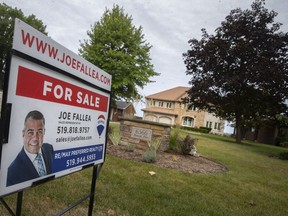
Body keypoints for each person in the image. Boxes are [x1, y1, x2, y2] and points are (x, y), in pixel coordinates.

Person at [6, 110, 54, 186]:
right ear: (23, 133)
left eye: (40, 132)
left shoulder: (49, 148)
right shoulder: (12, 173)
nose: (35, 138)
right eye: (30, 132)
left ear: (44, 132)